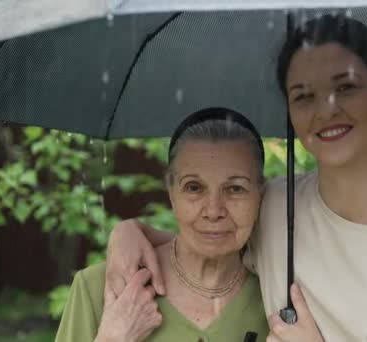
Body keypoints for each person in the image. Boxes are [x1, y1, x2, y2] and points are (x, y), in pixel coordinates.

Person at [105, 14, 367, 341]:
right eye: (303, 95)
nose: (326, 110)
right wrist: (125, 234)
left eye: (345, 87)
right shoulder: (277, 206)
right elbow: (197, 235)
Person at [55, 107, 269, 341]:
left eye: (235, 188)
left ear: (260, 194)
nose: (214, 211)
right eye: (194, 188)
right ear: (171, 193)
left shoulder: (278, 299)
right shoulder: (99, 290)